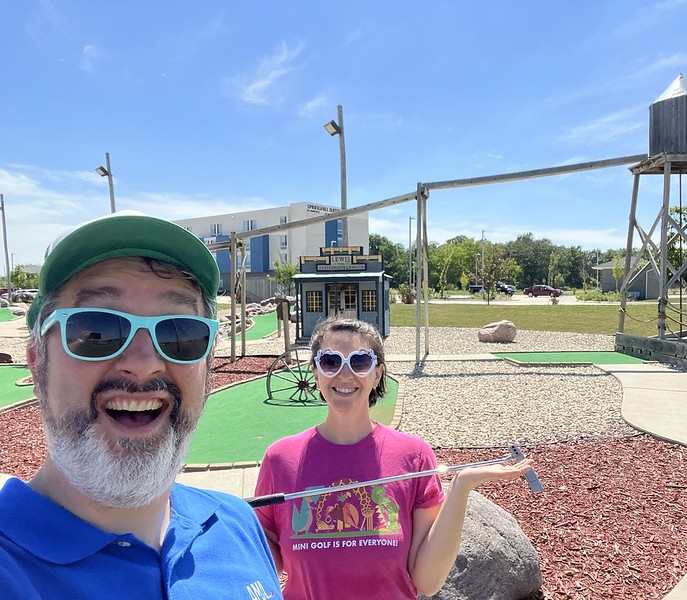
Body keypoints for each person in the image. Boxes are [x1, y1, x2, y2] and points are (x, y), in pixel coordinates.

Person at [0, 211, 283, 599]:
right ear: (37, 363)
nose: (144, 363)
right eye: (96, 329)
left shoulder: (237, 526)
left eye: (180, 333)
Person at [254, 316, 535, 599]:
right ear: (316, 373)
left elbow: (427, 581)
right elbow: (265, 561)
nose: (345, 374)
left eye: (359, 362)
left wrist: (461, 487)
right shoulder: (280, 459)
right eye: (331, 361)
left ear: (377, 374)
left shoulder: (413, 455)